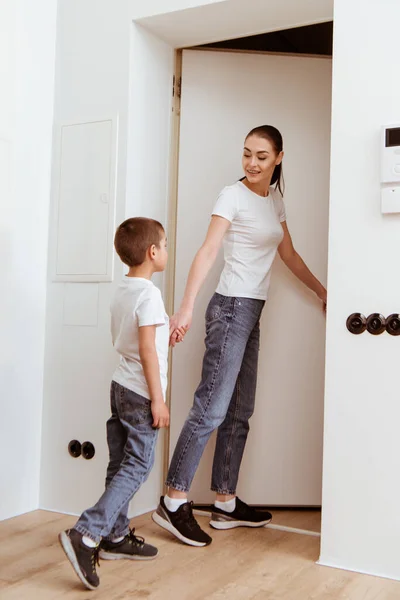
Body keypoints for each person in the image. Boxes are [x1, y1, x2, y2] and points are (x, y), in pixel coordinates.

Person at [152, 125, 327, 547]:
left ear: (278, 158)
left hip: (252, 310)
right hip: (230, 307)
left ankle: (225, 502)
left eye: (261, 156)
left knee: (239, 409)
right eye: (247, 153)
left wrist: (323, 291)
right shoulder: (231, 196)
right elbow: (209, 250)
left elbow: (288, 254)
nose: (251, 163)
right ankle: (173, 500)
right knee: (210, 408)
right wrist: (187, 306)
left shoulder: (275, 200)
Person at [59, 217, 186, 590]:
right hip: (141, 392)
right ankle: (86, 533)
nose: (166, 249)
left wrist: (168, 333)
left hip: (121, 386)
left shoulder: (125, 290)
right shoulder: (149, 294)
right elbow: (146, 349)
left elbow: (142, 340)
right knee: (138, 464)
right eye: (164, 244)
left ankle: (114, 536)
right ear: (152, 252)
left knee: (119, 465)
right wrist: (159, 401)